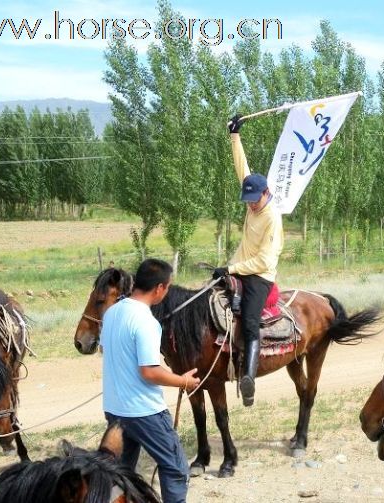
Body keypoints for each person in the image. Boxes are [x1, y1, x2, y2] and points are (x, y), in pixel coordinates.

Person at [101, 258, 200, 503]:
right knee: (176, 468)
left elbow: (109, 351)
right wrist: (182, 381)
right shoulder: (146, 321)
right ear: (160, 288)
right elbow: (149, 371)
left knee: (118, 473)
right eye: (167, 288)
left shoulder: (112, 312)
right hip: (144, 411)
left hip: (115, 410)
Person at [211, 114, 284, 407]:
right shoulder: (253, 195)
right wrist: (235, 135)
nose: (250, 204)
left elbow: (263, 261)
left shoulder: (272, 219)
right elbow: (242, 169)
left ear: (266, 194)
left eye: (254, 199)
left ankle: (249, 378)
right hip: (238, 267)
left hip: (259, 276)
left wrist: (231, 268)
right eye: (248, 199)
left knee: (251, 322)